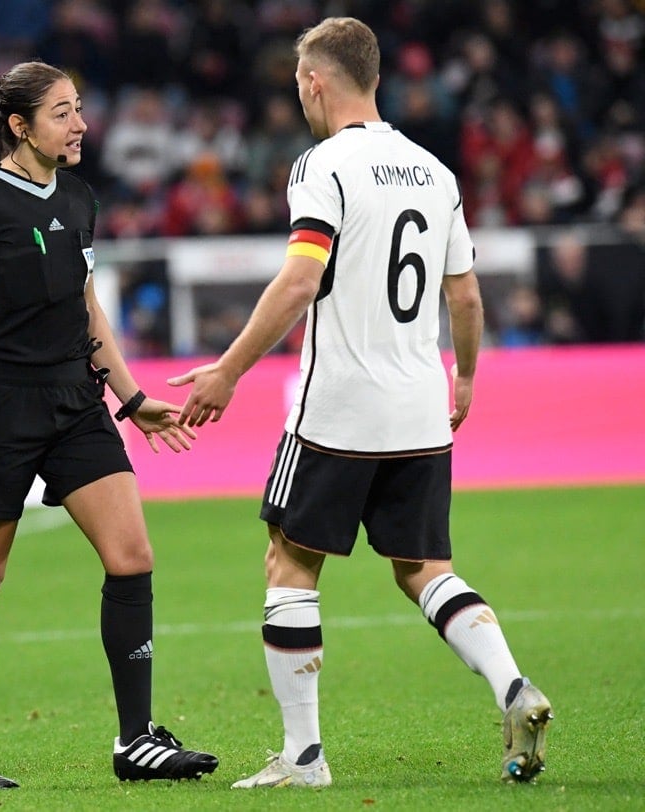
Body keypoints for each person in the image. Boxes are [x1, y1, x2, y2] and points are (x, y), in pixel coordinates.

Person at [167, 18, 552, 789]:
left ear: (316, 80)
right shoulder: (434, 171)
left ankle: (303, 756)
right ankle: (513, 684)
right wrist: (467, 377)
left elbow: (302, 279)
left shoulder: (323, 167)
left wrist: (230, 371)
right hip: (418, 406)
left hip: (339, 405)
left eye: (299, 83)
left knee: (290, 560)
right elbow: (467, 295)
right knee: (424, 566)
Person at [0, 60, 218, 791]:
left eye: (79, 108)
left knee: (132, 556)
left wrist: (134, 398)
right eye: (62, 113)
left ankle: (136, 739)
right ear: (20, 126)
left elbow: (87, 311)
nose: (80, 125)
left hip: (76, 404)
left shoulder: (78, 198)